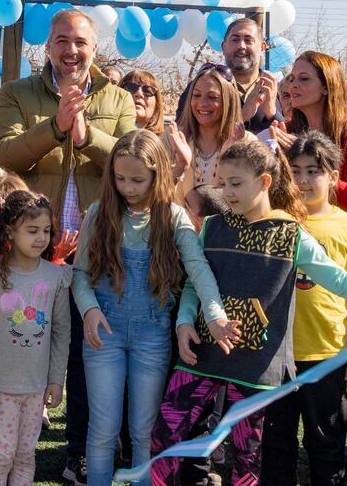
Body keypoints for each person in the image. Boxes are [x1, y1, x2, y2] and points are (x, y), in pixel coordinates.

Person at [150, 140, 347, 485]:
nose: (227, 193)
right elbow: (197, 281)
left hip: (254, 370)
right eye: (222, 184)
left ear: (265, 181)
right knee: (165, 436)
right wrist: (183, 323)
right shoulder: (213, 226)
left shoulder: (292, 235)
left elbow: (343, 283)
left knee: (248, 457)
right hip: (202, 356)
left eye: (236, 184)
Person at [0, 8, 136, 484]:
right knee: (31, 345)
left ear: (94, 49)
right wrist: (54, 125)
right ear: (47, 46)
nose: (71, 51)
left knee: (88, 352)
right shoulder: (15, 93)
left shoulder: (118, 99)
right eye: (62, 41)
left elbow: (131, 159)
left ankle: (80, 452)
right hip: (35, 251)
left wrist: (86, 133)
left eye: (80, 42)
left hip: (94, 248)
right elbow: (4, 153)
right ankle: (10, 450)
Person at [71, 130, 236, 486]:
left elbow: (199, 271)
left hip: (152, 336)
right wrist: (89, 309)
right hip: (104, 336)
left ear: (157, 175)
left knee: (144, 430)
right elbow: (80, 274)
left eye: (137, 180)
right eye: (119, 178)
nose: (127, 187)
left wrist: (215, 313)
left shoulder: (174, 217)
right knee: (103, 429)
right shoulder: (99, 214)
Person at [261, 131, 347, 485]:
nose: (303, 180)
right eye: (295, 171)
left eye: (313, 171)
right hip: (275, 356)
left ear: (333, 177)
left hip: (326, 355)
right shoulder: (274, 220)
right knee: (275, 443)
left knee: (326, 443)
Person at [0, 190, 71, 486]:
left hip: (36, 388)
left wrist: (55, 381)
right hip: (0, 390)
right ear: (10, 230)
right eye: (32, 230)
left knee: (26, 455)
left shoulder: (55, 278)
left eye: (46, 231)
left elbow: (61, 333)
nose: (41, 238)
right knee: (1, 456)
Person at [266, 50, 347, 217]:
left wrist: (306, 154)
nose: (293, 85)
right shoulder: (286, 130)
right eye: (292, 78)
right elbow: (273, 196)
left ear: (326, 86)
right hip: (294, 226)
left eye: (304, 78)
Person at [175, 19, 282, 134]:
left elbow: (289, 141)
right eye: (235, 40)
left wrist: (272, 112)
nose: (241, 46)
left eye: (248, 40)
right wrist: (242, 116)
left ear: (262, 47)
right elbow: (183, 133)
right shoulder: (200, 88)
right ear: (224, 47)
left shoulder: (275, 89)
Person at [169, 66, 252, 206]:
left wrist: (228, 161)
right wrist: (179, 167)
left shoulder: (247, 143)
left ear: (228, 101)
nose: (202, 103)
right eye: (196, 95)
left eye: (212, 97)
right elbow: (152, 197)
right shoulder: (172, 139)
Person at [119, 70, 164, 136]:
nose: (139, 93)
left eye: (148, 90)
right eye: (131, 87)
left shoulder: (169, 141)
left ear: (157, 103)